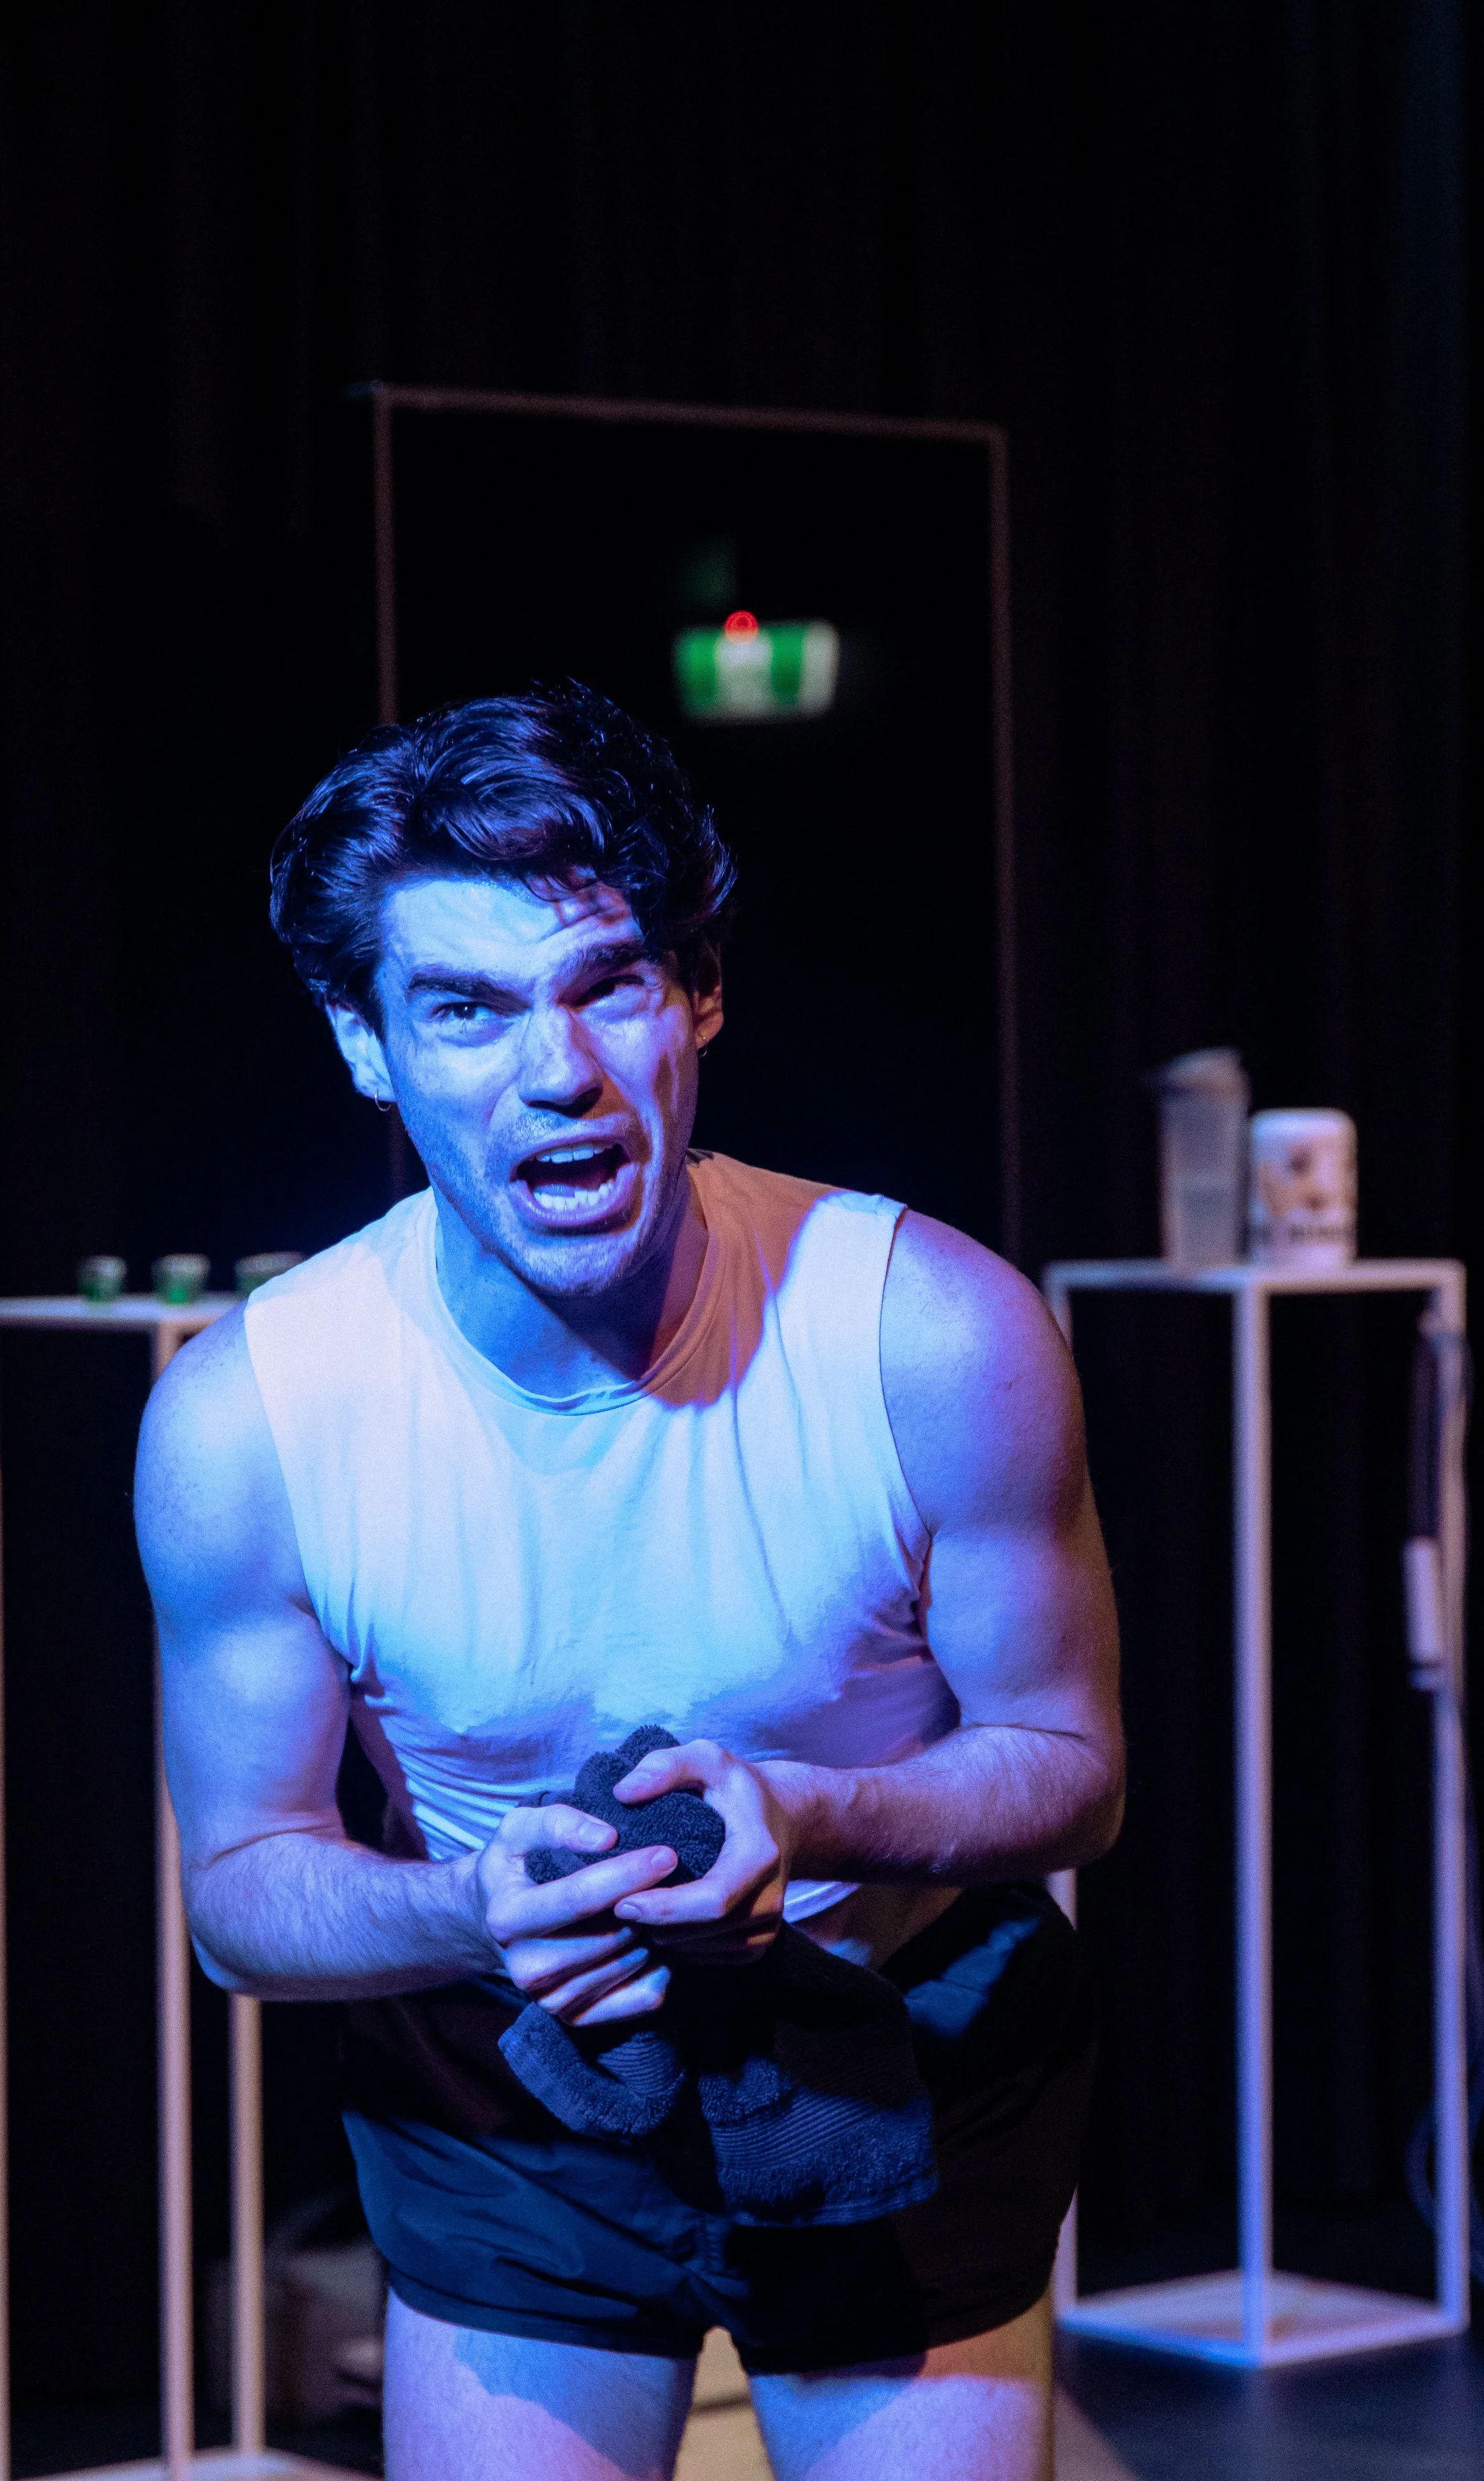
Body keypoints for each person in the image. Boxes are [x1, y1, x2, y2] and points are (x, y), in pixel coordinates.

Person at [136, 685, 1123, 2481]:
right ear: (365, 1041)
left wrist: (813, 1812)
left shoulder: (932, 1329)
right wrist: (477, 1906)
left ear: (697, 995)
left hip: (899, 2032)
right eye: (463, 1008)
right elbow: (242, 1889)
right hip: (507, 2078)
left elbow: (1069, 1759)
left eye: (602, 982)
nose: (554, 1071)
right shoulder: (248, 1420)